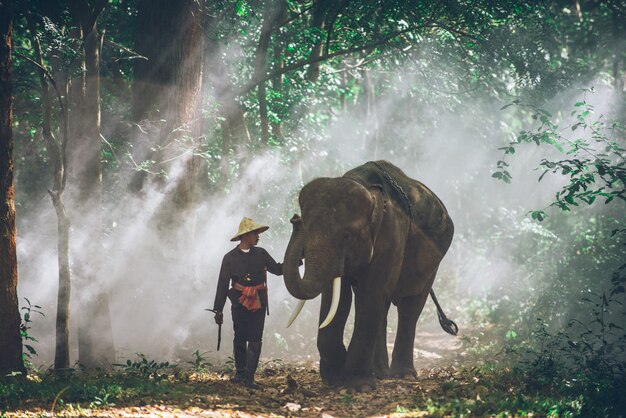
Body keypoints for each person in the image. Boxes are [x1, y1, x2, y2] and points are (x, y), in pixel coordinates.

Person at [212, 217, 283, 388]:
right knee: (240, 336)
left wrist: (296, 260)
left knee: (255, 338)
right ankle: (240, 373)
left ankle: (250, 377)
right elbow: (223, 283)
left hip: (258, 301)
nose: (258, 236)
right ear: (245, 236)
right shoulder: (229, 258)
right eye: (255, 233)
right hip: (238, 301)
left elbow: (278, 270)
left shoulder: (261, 254)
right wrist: (218, 310)